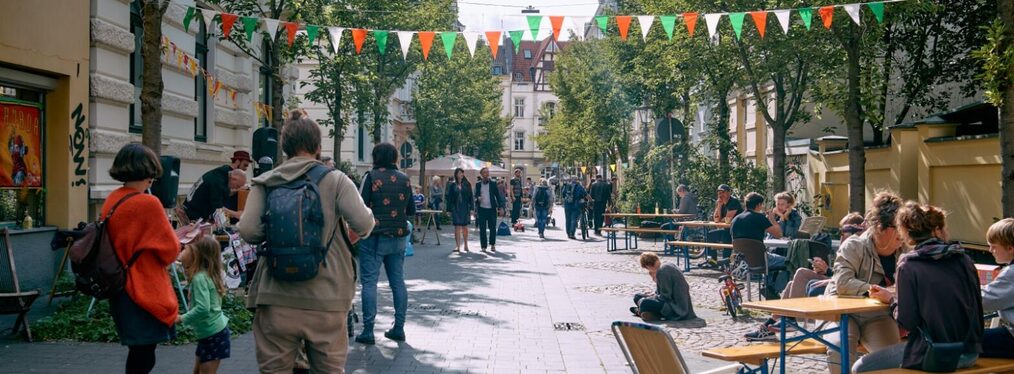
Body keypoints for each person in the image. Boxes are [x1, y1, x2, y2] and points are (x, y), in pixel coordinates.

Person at [238, 111, 375, 373]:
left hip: (274, 298)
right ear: (318, 147)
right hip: (327, 298)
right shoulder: (336, 180)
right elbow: (364, 224)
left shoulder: (265, 182)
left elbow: (248, 231)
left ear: (284, 147)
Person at [854, 202, 983, 372]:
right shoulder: (963, 259)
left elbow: (907, 321)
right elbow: (978, 307)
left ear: (906, 232)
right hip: (970, 350)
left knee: (860, 368)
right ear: (938, 229)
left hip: (934, 353)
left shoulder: (909, 264)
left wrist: (892, 300)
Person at [104, 143, 181, 374]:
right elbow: (170, 250)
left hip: (120, 285)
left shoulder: (112, 200)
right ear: (147, 172)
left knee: (138, 353)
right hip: (143, 287)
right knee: (144, 357)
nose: (153, 179)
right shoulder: (148, 203)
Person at [822, 191, 904, 374]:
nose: (903, 231)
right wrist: (879, 290)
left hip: (879, 315)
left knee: (892, 361)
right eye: (897, 226)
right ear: (879, 227)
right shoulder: (854, 245)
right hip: (842, 313)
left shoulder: (905, 251)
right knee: (839, 352)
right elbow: (842, 283)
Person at [356, 143, 415, 345]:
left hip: (374, 237)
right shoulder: (405, 179)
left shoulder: (370, 177)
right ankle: (399, 328)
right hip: (398, 237)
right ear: (394, 157)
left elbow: (360, 206)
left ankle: (368, 330)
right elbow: (411, 210)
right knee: (397, 282)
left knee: (369, 283)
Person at [179, 235, 231, 374]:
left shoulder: (199, 278)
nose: (182, 251)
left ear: (195, 255)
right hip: (210, 333)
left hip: (213, 335)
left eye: (186, 248)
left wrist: (181, 319)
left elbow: (203, 309)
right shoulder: (205, 275)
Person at [981, 218, 1014, 359]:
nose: (990, 250)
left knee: (967, 342)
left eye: (994, 246)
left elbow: (984, 301)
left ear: (1010, 248)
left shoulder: (1011, 273)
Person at [631, 253, 697, 322]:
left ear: (648, 266)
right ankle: (643, 311)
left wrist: (650, 298)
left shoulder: (662, 271)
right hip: (673, 302)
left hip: (675, 308)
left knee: (644, 302)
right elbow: (662, 291)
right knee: (637, 296)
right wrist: (653, 295)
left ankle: (643, 312)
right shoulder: (667, 265)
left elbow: (665, 297)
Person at [181, 166, 247, 223]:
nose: (236, 188)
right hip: (191, 215)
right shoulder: (217, 182)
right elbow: (217, 209)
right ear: (233, 178)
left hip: (192, 210)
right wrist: (236, 214)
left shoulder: (222, 175)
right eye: (237, 186)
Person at [705, 184, 742, 266]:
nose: (720, 194)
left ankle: (725, 264)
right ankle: (712, 261)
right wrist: (719, 206)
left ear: (729, 193)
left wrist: (722, 219)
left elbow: (728, 219)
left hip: (737, 231)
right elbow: (716, 220)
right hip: (727, 229)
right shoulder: (720, 203)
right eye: (719, 192)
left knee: (726, 237)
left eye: (723, 192)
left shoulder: (733, 202)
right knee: (710, 235)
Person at [474, 167, 505, 252]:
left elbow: (498, 196)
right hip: (482, 209)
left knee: (492, 227)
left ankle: (492, 244)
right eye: (485, 172)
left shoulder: (493, 183)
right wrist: (477, 198)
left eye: (487, 172)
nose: (487, 174)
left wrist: (501, 207)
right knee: (482, 228)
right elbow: (475, 196)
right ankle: (483, 246)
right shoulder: (478, 184)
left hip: (491, 209)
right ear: (481, 174)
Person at [445, 168, 473, 253]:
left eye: (461, 173)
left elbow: (470, 196)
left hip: (464, 207)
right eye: (459, 173)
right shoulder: (453, 185)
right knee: (457, 226)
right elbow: (449, 198)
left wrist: (472, 208)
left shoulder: (467, 184)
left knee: (464, 226)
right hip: (456, 207)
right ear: (456, 174)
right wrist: (448, 209)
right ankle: (457, 245)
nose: (460, 174)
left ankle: (465, 244)